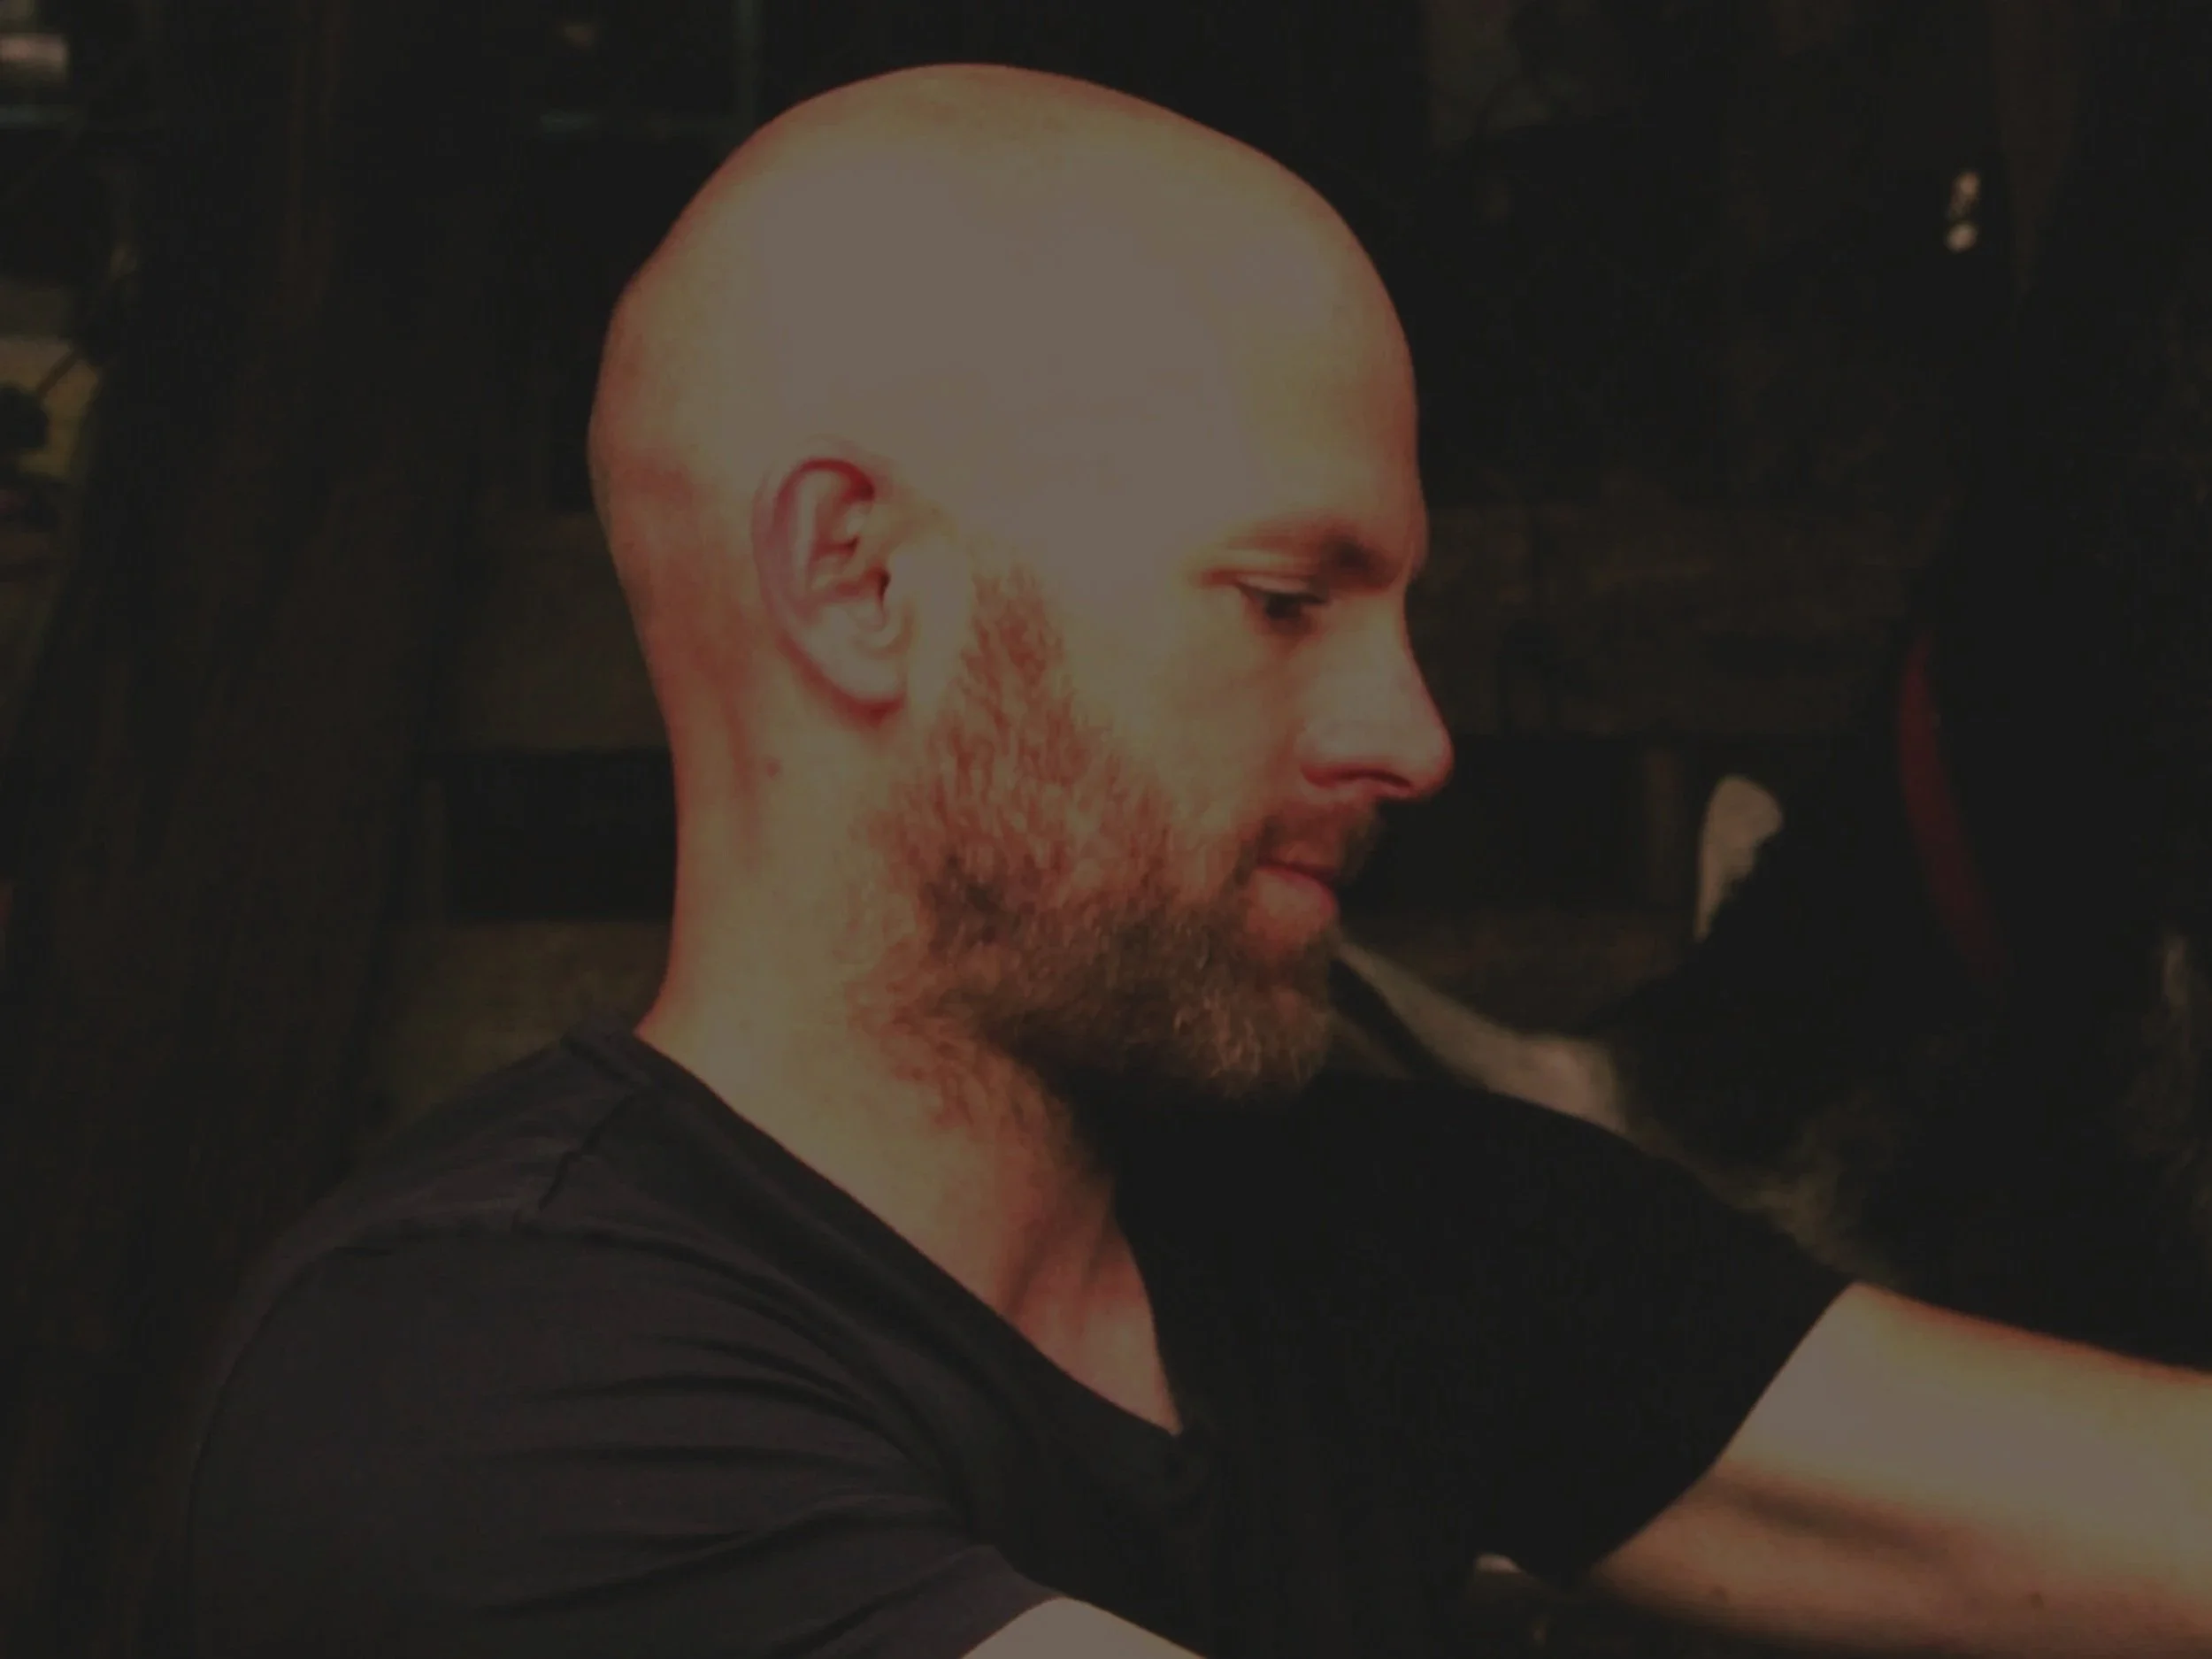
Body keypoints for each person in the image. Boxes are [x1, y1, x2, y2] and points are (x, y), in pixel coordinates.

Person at [177, 64, 2212, 1658]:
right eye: (1281, 599)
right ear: (858, 584)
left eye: (1396, 610)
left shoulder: (1385, 1235)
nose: (1412, 737)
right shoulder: (470, 1393)